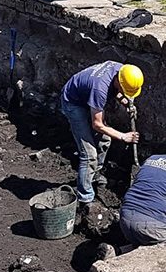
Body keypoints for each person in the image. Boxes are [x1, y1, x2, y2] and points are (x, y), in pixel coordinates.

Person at [60, 61, 144, 214]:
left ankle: (93, 175)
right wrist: (123, 136)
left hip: (87, 97)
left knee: (105, 140)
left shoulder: (122, 71)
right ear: (119, 80)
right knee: (89, 155)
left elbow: (117, 90)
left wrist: (126, 103)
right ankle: (85, 199)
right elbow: (97, 124)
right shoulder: (99, 89)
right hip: (73, 103)